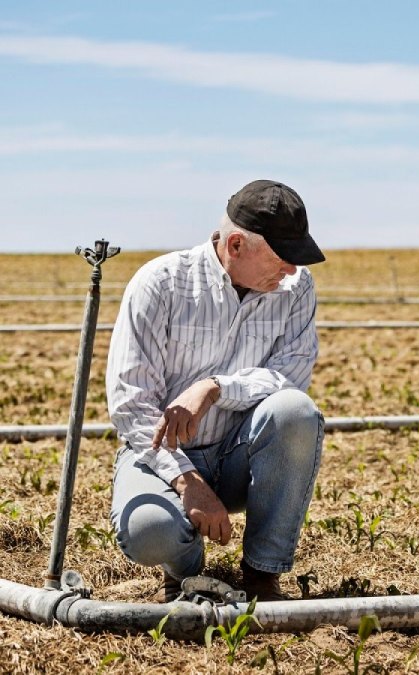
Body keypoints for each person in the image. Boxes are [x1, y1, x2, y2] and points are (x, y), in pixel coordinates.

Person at [107, 180, 325, 602]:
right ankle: (185, 571)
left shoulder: (296, 288)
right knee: (149, 531)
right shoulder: (160, 283)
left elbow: (290, 377)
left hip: (238, 454)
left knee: (295, 412)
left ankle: (263, 573)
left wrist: (214, 387)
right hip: (159, 453)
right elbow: (131, 403)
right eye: (283, 257)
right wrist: (187, 480)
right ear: (237, 244)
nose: (292, 270)